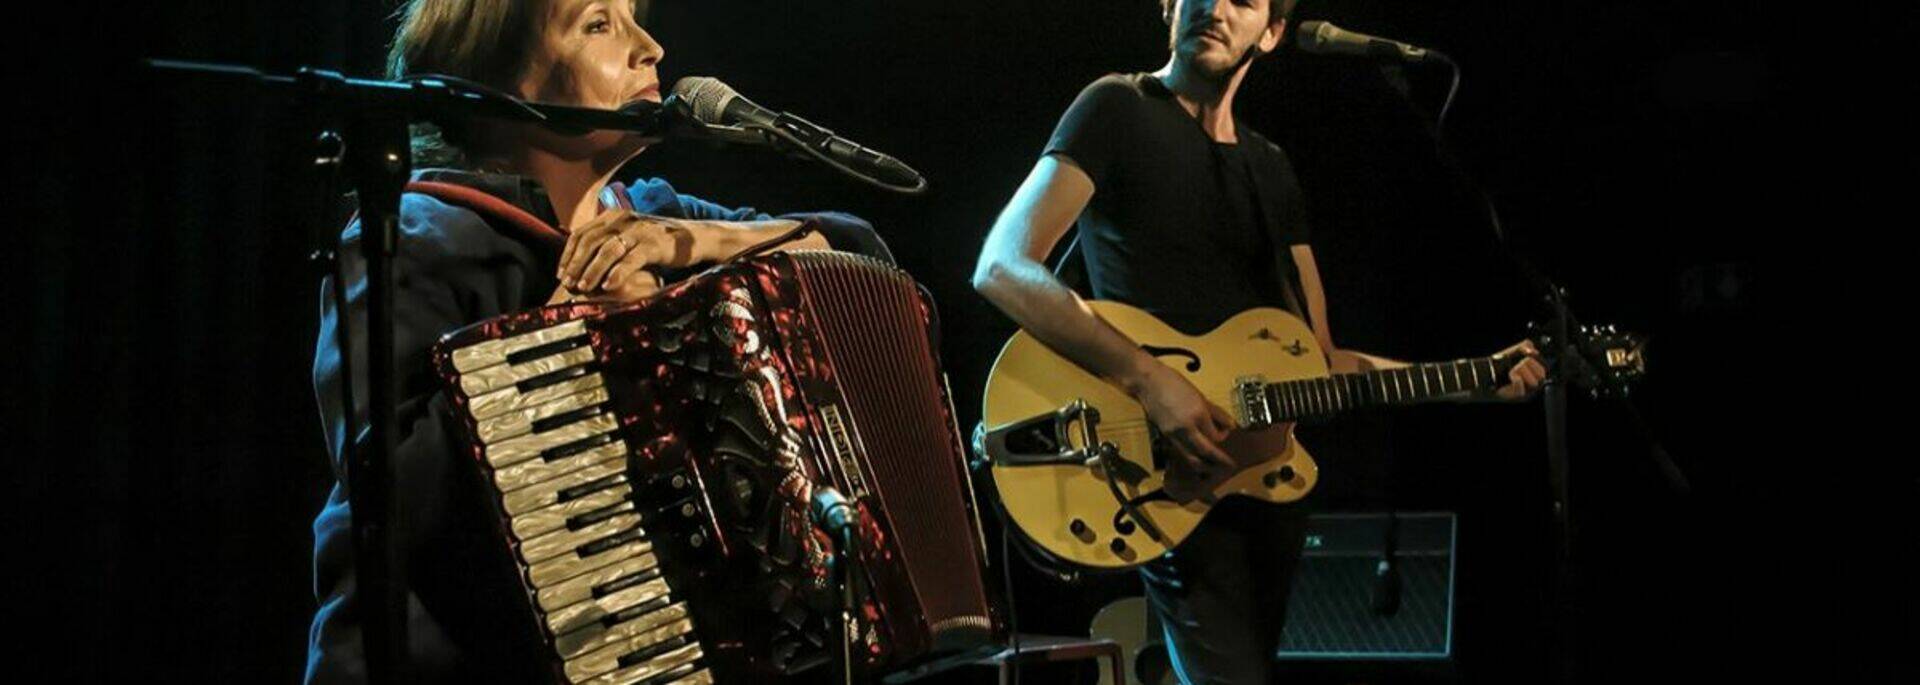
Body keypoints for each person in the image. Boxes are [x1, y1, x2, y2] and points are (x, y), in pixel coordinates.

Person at [306, 1, 886, 681]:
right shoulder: (421, 237)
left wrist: (700, 242)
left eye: (633, 15)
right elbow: (388, 500)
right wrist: (566, 327)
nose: (651, 48)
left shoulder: (656, 217)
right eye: (598, 23)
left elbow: (859, 252)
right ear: (501, 80)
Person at [970, 1, 1544, 682]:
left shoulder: (1271, 170)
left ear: (1272, 33)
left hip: (1261, 488)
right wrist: (1152, 382)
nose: (1213, 6)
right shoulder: (1116, 107)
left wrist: (1473, 379)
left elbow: (1323, 362)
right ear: (1167, 8)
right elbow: (1002, 265)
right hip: (1155, 473)